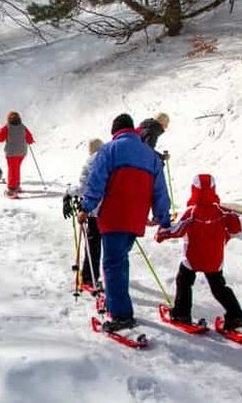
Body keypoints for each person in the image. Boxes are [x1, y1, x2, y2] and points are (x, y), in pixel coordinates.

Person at [78, 113, 171, 332]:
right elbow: (160, 189)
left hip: (113, 216)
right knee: (120, 261)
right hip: (136, 219)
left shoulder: (109, 150)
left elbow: (96, 181)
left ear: (115, 132)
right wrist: (162, 217)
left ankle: (121, 315)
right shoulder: (150, 156)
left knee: (112, 264)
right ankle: (115, 301)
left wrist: (86, 207)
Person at [155, 174, 242, 329]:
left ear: (194, 190)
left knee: (184, 282)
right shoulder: (221, 212)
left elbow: (177, 230)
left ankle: (181, 313)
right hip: (214, 259)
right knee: (219, 288)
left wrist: (161, 233)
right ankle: (236, 315)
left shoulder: (192, 212)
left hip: (193, 258)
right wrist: (224, 235)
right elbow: (236, 227)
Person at [77, 138, 104, 292]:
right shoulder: (111, 159)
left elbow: (83, 188)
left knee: (93, 242)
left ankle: (89, 277)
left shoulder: (90, 162)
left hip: (94, 209)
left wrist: (69, 192)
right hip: (111, 209)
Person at [0, 111, 34, 197]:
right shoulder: (23, 127)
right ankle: (17, 185)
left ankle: (11, 189)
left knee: (12, 169)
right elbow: (30, 139)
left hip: (12, 152)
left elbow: (0, 138)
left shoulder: (7, 127)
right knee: (16, 168)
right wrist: (29, 140)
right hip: (22, 152)